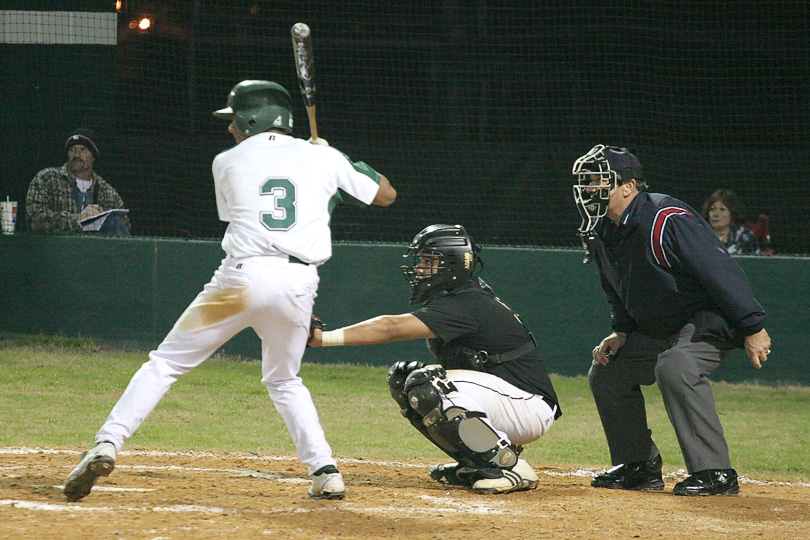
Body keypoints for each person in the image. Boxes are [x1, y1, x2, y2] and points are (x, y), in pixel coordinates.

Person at [63, 80, 396, 502]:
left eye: (234, 120)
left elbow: (246, 210)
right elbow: (386, 194)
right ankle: (325, 471)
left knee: (165, 364)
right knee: (284, 379)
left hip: (241, 278)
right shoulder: (323, 157)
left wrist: (323, 161)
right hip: (298, 284)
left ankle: (107, 443)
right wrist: (338, 161)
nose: (230, 128)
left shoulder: (226, 162)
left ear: (253, 120)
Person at [572, 145, 771, 496]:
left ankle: (715, 473)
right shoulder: (604, 229)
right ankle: (639, 466)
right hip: (659, 326)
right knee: (607, 371)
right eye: (587, 182)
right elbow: (616, 286)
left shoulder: (667, 217)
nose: (590, 190)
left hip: (709, 318)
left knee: (676, 366)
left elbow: (720, 271)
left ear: (628, 187)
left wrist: (752, 325)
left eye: (598, 181)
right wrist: (621, 330)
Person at [308, 224, 561, 495]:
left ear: (452, 265)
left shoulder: (466, 303)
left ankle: (508, 466)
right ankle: (478, 462)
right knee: (403, 378)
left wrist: (324, 338)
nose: (419, 268)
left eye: (429, 261)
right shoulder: (459, 298)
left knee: (427, 383)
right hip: (510, 399)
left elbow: (390, 327)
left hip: (528, 406)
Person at [26, 128, 131, 236]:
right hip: (55, 250)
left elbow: (124, 227)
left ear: (94, 156)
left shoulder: (107, 192)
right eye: (72, 150)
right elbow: (34, 219)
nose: (77, 155)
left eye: (83, 150)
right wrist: (78, 220)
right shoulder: (47, 179)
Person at [701, 189, 759, 255]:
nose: (716, 214)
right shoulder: (700, 236)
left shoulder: (744, 237)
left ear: (732, 214)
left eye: (722, 209)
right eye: (712, 209)